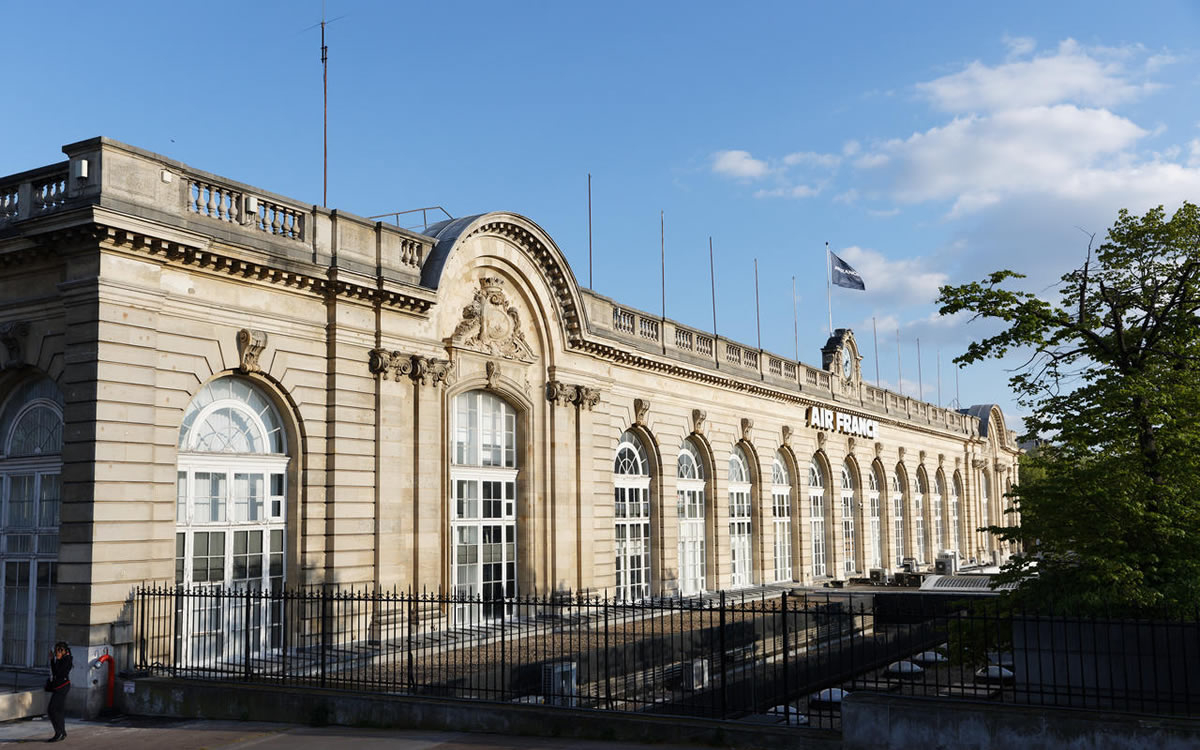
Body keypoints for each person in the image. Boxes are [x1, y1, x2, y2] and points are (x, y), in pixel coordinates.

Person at [45, 641, 72, 742]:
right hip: (59, 686)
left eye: (60, 650)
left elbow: (60, 673)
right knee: (58, 711)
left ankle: (59, 732)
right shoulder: (60, 659)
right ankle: (61, 732)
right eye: (56, 650)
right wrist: (53, 660)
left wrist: (58, 660)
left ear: (65, 651)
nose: (57, 652)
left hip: (62, 687)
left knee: (52, 710)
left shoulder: (67, 659)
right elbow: (55, 672)